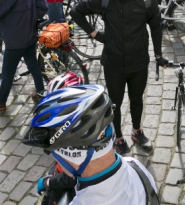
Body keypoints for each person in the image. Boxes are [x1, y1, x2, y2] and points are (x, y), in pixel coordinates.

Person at [69, 0, 164, 154]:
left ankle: (137, 131)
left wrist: (158, 54)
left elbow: (156, 27)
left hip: (138, 62)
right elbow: (76, 11)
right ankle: (118, 137)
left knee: (137, 100)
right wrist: (95, 34)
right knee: (115, 103)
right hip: (113, 63)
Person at [23, 86, 159, 204]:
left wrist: (48, 182)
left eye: (52, 153)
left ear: (71, 155)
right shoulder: (136, 166)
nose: (55, 160)